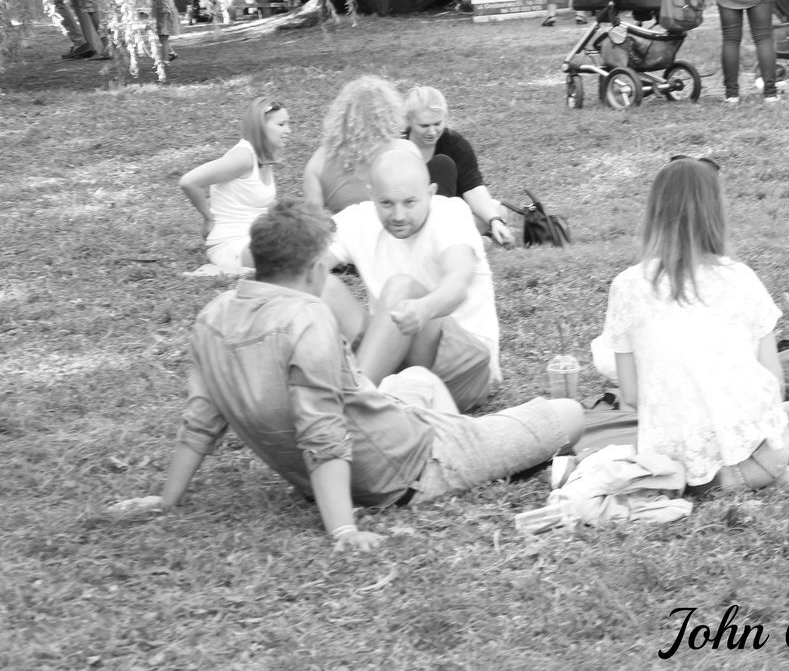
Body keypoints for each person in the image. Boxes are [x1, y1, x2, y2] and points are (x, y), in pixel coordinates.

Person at [105, 197, 584, 551]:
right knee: (567, 413)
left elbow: (202, 418)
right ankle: (468, 436)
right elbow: (323, 434)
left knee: (415, 382)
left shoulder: (212, 317)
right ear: (316, 268)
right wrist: (343, 530)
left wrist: (167, 500)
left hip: (387, 422)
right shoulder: (307, 319)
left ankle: (459, 427)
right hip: (414, 467)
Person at [603, 156, 789, 490]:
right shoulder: (740, 278)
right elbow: (773, 381)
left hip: (672, 468)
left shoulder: (626, 286)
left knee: (691, 471)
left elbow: (631, 396)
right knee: (765, 446)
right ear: (715, 212)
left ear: (654, 211)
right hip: (757, 456)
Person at [320, 148, 501, 413]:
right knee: (319, 284)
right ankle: (354, 392)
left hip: (464, 368)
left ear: (430, 193)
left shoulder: (451, 215)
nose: (398, 215)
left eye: (409, 202)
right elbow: (304, 266)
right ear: (371, 195)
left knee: (401, 290)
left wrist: (424, 308)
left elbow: (457, 282)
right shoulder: (358, 219)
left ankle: (351, 409)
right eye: (386, 203)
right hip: (394, 356)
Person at [179, 97, 290, 270]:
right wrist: (208, 218)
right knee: (292, 259)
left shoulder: (263, 156)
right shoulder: (242, 157)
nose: (288, 130)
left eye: (288, 124)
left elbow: (261, 203)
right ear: (260, 127)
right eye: (281, 125)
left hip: (256, 238)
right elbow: (188, 182)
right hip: (231, 245)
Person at [403, 86, 514, 248]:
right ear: (409, 122)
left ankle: (451, 237)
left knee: (497, 210)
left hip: (447, 218)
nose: (432, 132)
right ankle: (458, 237)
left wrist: (494, 221)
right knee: (442, 164)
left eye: (437, 124)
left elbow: (473, 188)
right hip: (408, 219)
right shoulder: (397, 148)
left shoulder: (454, 144)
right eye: (424, 126)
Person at [302, 75, 408, 215]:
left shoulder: (318, 161)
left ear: (342, 115)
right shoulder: (403, 151)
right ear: (390, 112)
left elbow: (313, 217)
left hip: (339, 233)